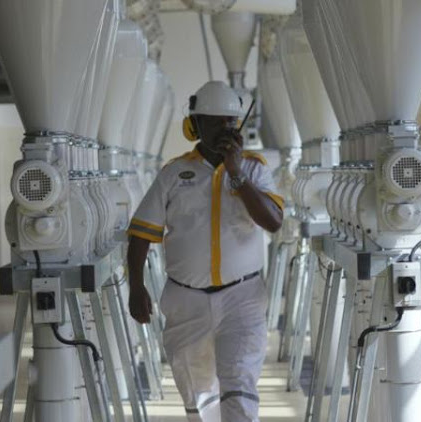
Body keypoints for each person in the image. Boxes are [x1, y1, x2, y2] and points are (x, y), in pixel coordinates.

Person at [126, 81, 284, 422]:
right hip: (187, 300)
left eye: (229, 122)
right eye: (213, 122)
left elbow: (273, 222)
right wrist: (136, 287)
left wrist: (236, 173)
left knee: (239, 386)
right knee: (200, 397)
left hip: (242, 297)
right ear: (195, 126)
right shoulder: (173, 173)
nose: (222, 129)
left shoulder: (254, 168)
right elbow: (140, 234)